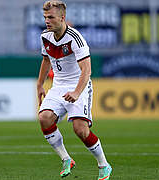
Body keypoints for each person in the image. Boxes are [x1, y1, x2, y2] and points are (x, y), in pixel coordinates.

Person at [36, 1, 112, 179]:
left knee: (80, 130)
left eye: (51, 17)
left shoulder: (75, 38)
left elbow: (87, 70)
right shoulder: (45, 36)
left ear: (62, 18)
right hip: (58, 87)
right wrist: (40, 84)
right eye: (45, 17)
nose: (47, 21)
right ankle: (66, 159)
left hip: (79, 85)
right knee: (44, 118)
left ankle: (104, 164)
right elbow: (46, 60)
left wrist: (77, 92)